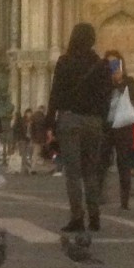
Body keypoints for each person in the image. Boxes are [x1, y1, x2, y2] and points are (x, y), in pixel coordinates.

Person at [45, 21, 112, 232]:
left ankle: (77, 217)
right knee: (91, 171)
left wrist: (50, 124)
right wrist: (101, 119)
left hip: (70, 120)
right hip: (93, 122)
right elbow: (107, 96)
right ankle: (94, 217)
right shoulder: (102, 65)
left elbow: (55, 95)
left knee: (73, 173)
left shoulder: (64, 62)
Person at [102, 53, 134, 212]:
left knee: (124, 163)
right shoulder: (101, 82)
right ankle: (99, 195)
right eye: (109, 63)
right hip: (106, 127)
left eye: (115, 63)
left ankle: (125, 200)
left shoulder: (129, 82)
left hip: (123, 127)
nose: (112, 66)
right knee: (101, 162)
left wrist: (120, 81)